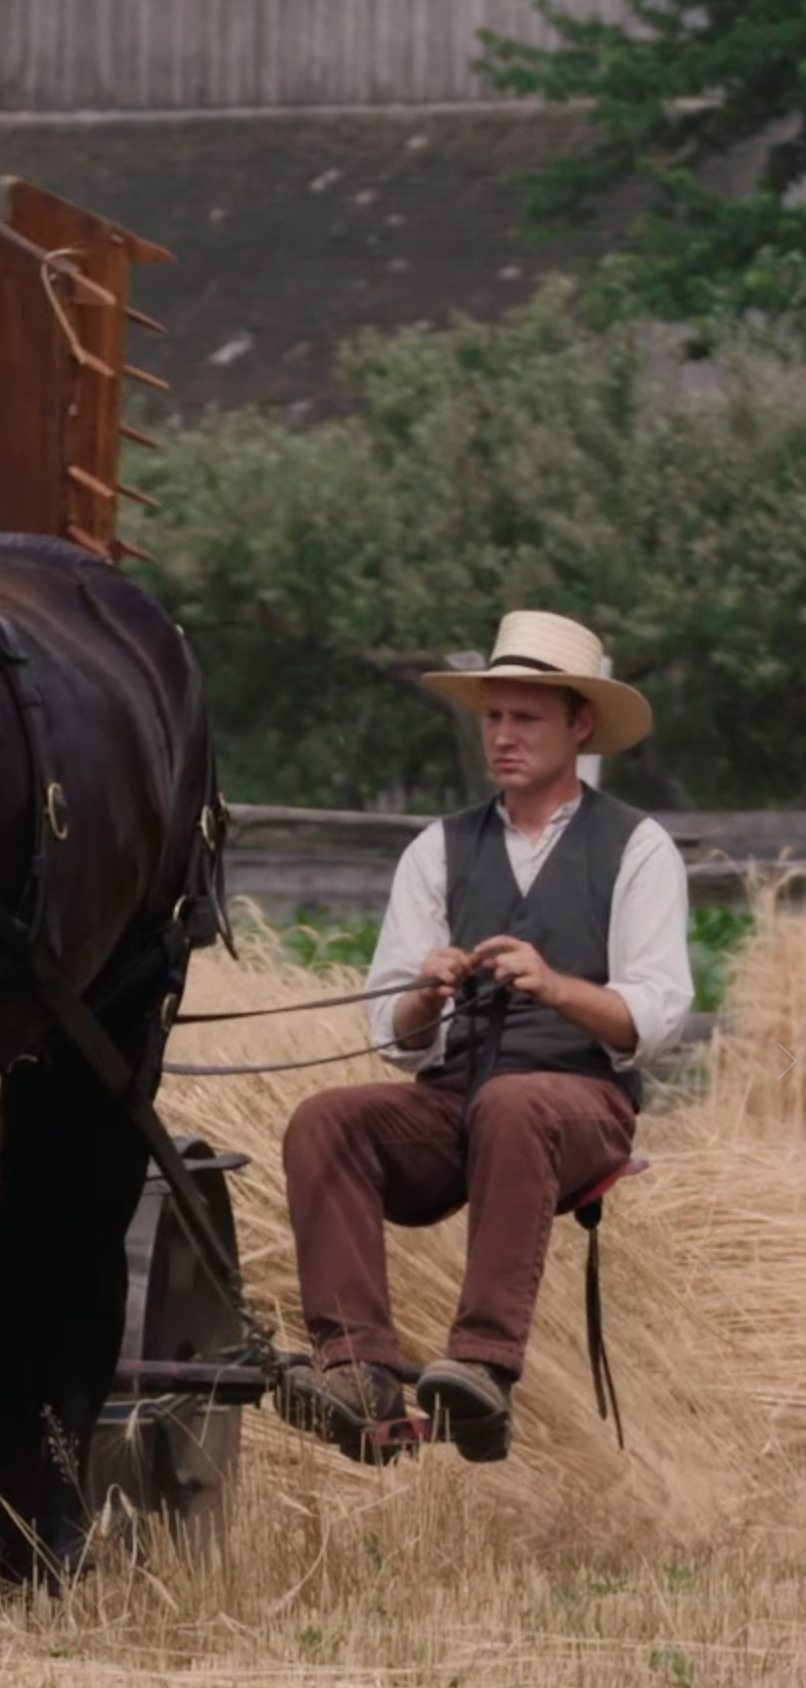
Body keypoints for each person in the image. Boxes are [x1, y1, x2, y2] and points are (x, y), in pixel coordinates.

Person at [275, 610, 693, 1464]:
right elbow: (395, 1036)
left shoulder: (637, 846)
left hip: (580, 1105)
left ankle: (483, 1365)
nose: (503, 736)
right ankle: (356, 1368)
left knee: (512, 1101)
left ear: (580, 723)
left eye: (526, 718)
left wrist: (555, 985)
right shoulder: (437, 848)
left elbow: (656, 1017)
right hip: (457, 1102)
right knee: (326, 1118)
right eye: (493, 717)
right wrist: (425, 993)